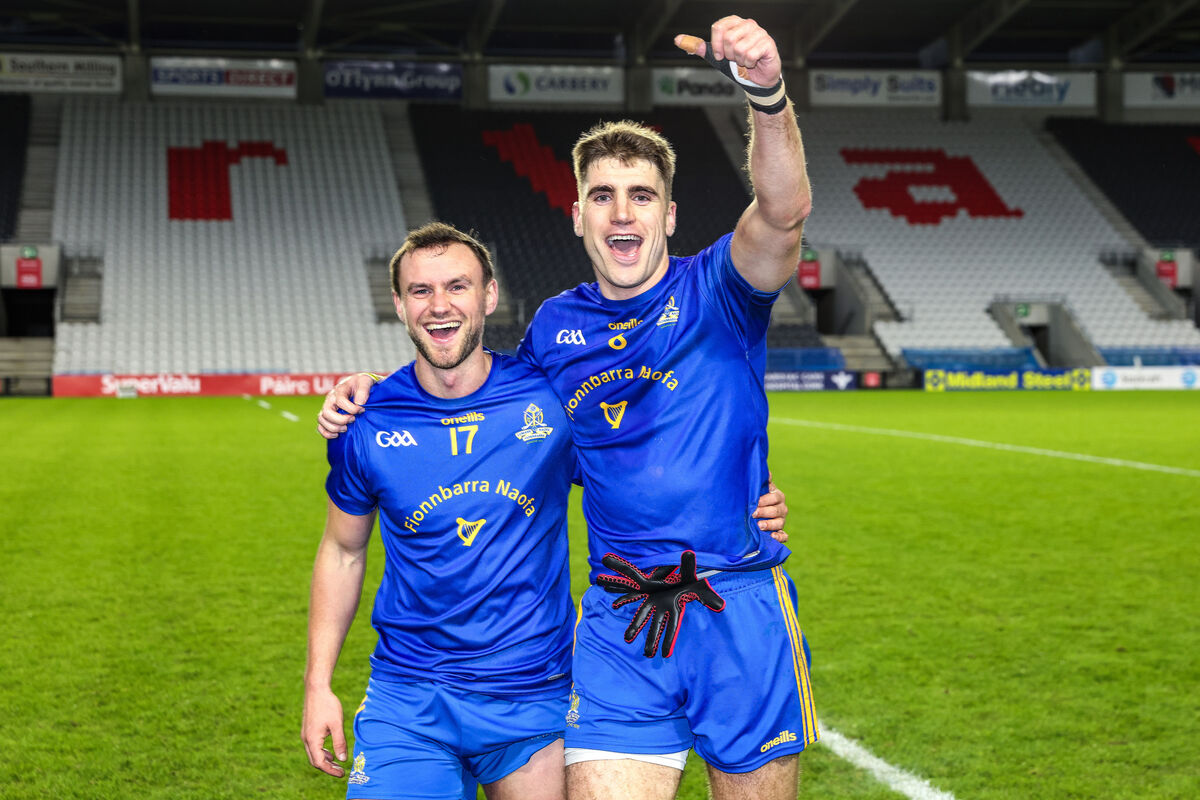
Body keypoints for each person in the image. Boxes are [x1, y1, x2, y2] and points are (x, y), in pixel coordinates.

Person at [320, 14, 814, 800]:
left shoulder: (720, 288)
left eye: (642, 196)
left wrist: (766, 93)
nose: (622, 213)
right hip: (620, 621)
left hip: (737, 605)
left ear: (669, 216)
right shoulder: (554, 328)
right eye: (603, 196)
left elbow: (782, 213)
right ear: (577, 213)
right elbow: (477, 388)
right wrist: (375, 391)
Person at [303, 222, 790, 800]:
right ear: (399, 304)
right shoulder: (366, 419)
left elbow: (640, 463)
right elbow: (343, 550)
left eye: (457, 286)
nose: (439, 306)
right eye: (420, 291)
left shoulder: (548, 401)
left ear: (489, 295)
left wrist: (745, 497)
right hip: (410, 696)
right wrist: (317, 684)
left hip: (533, 696)